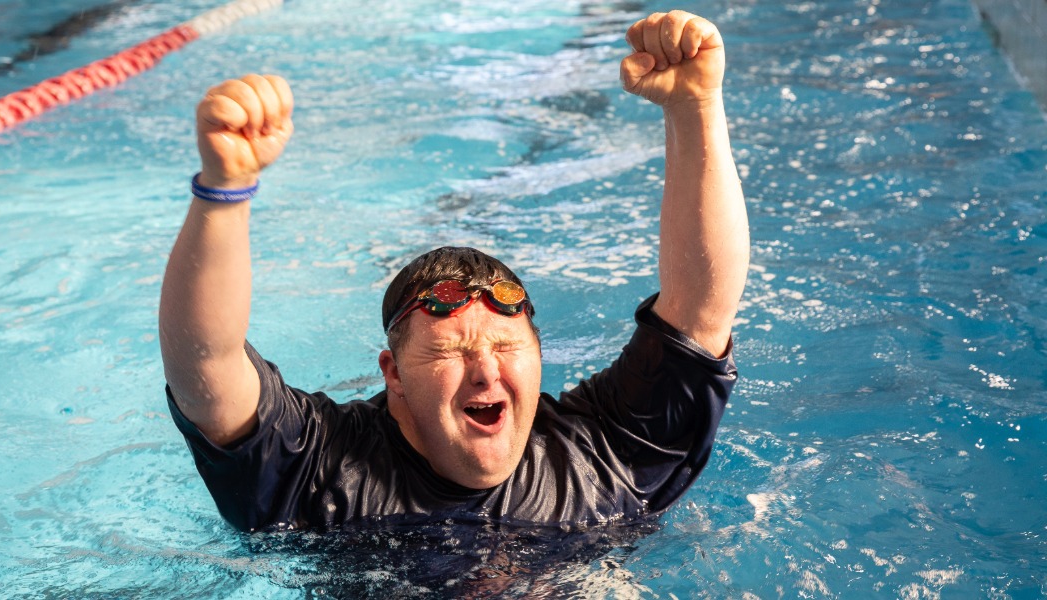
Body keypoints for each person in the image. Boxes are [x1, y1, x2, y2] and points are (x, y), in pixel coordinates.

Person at [159, 10, 749, 532]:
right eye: (448, 353)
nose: (486, 371)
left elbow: (701, 307)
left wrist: (695, 104)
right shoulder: (320, 468)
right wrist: (223, 188)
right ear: (393, 374)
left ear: (540, 354)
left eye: (506, 345)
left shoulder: (599, 457)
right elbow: (204, 365)